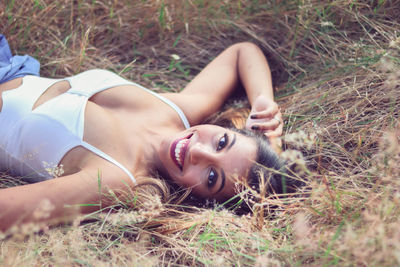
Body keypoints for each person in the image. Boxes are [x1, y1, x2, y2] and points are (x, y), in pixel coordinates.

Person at [0, 35, 287, 232]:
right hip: (11, 65)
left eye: (212, 177)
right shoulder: (179, 111)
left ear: (199, 199)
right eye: (222, 142)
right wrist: (264, 107)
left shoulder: (114, 179)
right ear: (225, 129)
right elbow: (242, 52)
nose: (199, 151)